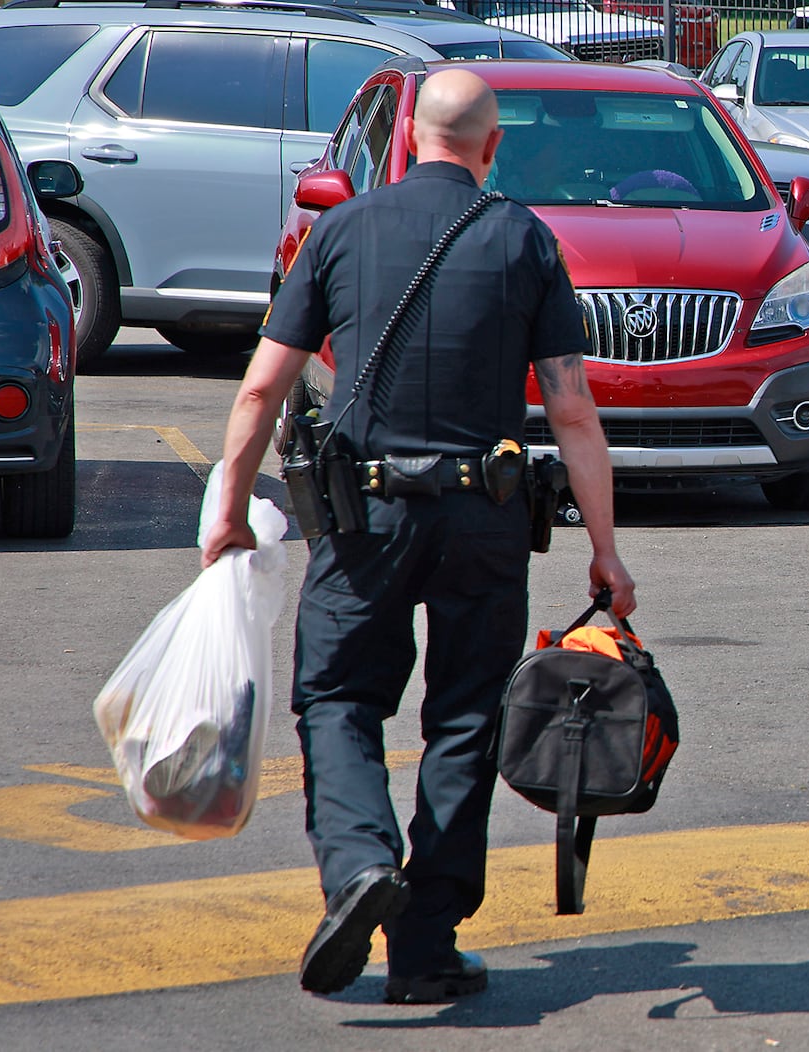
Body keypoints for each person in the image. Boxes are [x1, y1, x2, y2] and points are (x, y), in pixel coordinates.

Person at [200, 69, 636, 1005]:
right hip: (486, 516)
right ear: (491, 147)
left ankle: (359, 863)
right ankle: (426, 948)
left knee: (339, 695)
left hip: (365, 519)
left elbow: (261, 389)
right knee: (466, 716)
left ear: (406, 139)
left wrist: (230, 509)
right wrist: (605, 550)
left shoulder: (343, 229)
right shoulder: (525, 239)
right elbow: (572, 410)